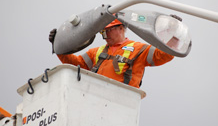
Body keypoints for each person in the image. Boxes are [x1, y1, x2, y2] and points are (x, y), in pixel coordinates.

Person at [49, 16, 181, 88]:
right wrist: (58, 45)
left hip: (122, 102)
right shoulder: (97, 52)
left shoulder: (139, 49)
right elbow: (75, 63)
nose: (104, 35)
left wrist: (173, 32)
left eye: (108, 30)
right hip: (95, 99)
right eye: (103, 32)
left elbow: (164, 54)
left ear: (121, 28)